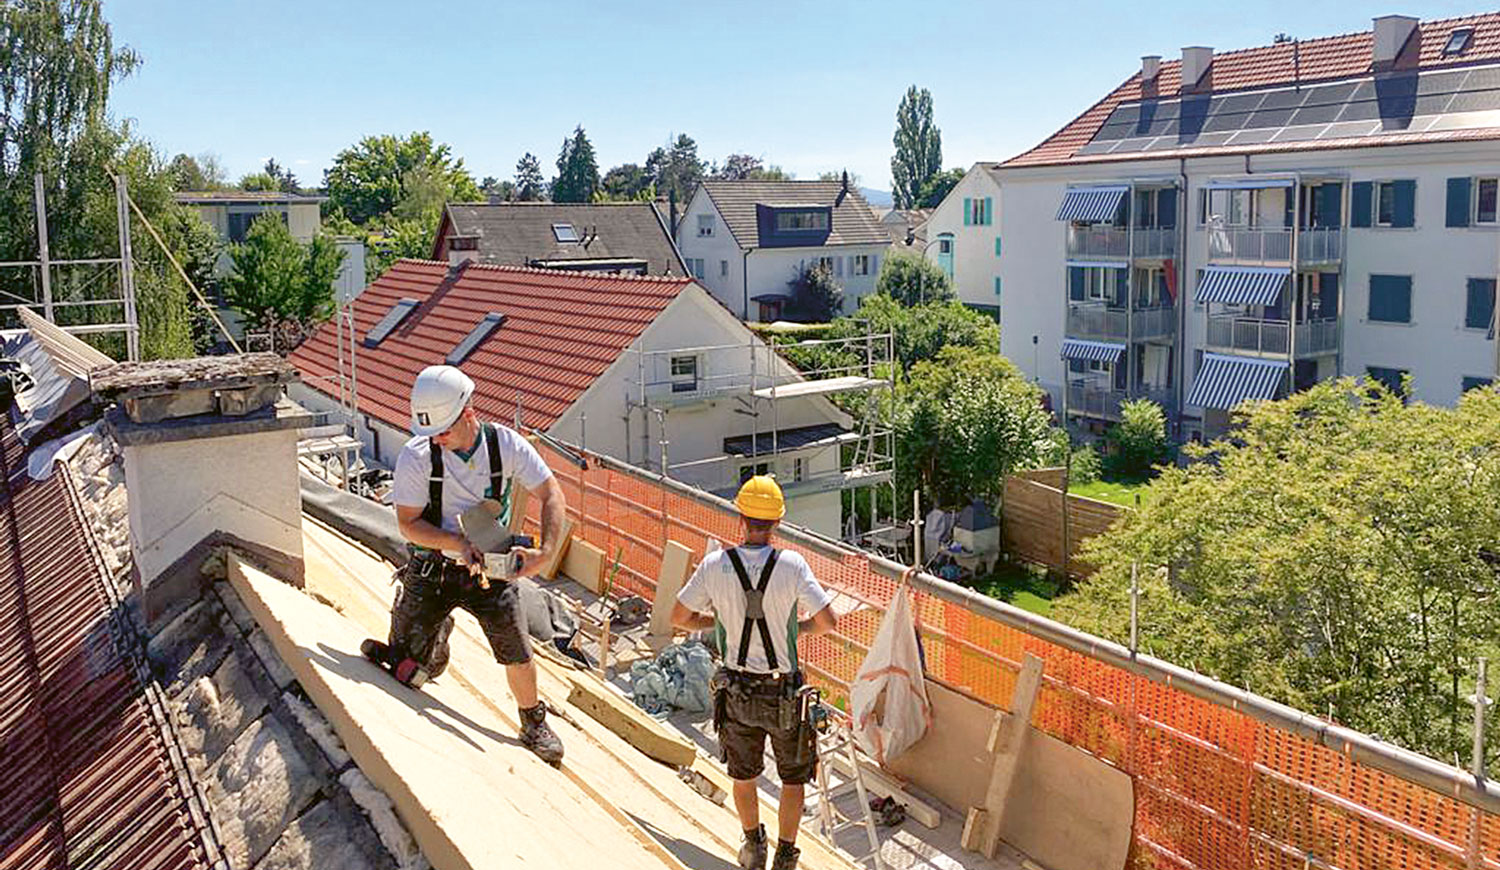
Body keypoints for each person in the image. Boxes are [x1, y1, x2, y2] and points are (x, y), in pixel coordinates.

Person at [367, 364, 568, 764]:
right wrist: (456, 543)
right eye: (430, 433)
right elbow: (409, 525)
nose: (436, 440)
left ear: (468, 413)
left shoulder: (506, 446)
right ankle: (431, 644)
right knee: (411, 666)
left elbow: (551, 494)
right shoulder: (417, 457)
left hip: (491, 571)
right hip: (434, 567)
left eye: (443, 430)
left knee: (516, 650)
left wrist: (545, 552)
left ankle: (533, 721)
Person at [671, 476, 837, 870]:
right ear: (777, 523)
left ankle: (753, 845)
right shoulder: (792, 565)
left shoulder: (715, 565)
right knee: (793, 778)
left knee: (743, 773)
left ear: (741, 518)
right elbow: (828, 620)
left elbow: (679, 617)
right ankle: (786, 854)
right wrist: (797, 629)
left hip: (738, 691)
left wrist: (720, 622)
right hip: (784, 694)